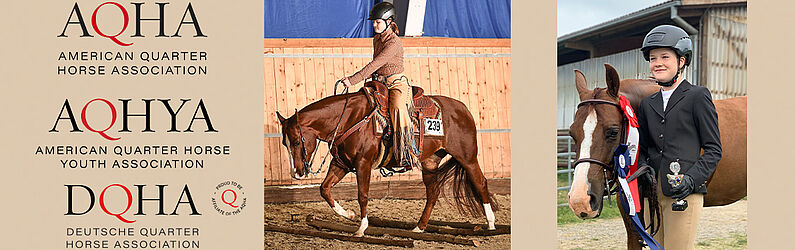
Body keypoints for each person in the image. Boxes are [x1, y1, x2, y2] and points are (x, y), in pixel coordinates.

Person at [636, 24, 722, 249]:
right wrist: (644, 170)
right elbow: (643, 148)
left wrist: (692, 180)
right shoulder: (647, 104)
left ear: (681, 61)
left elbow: (714, 149)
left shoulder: (697, 96)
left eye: (665, 56)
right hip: (651, 195)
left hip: (684, 192)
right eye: (653, 58)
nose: (658, 63)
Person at [340, 2, 420, 171]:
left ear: (389, 22)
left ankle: (409, 151)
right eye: (374, 22)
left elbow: (376, 63)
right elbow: (376, 68)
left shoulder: (394, 43)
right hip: (379, 82)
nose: (375, 25)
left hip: (396, 83)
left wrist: (353, 79)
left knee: (398, 108)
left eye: (378, 22)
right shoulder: (377, 39)